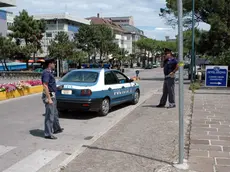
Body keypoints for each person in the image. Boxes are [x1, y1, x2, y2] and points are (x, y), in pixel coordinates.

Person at [41, 58, 64, 139]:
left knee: (54, 113)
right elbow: (45, 86)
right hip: (49, 96)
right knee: (49, 115)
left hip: (52, 94)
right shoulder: (46, 73)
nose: (55, 64)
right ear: (49, 64)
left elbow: (50, 85)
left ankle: (57, 128)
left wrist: (57, 88)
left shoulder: (50, 72)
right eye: (54, 63)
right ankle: (48, 133)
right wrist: (49, 98)